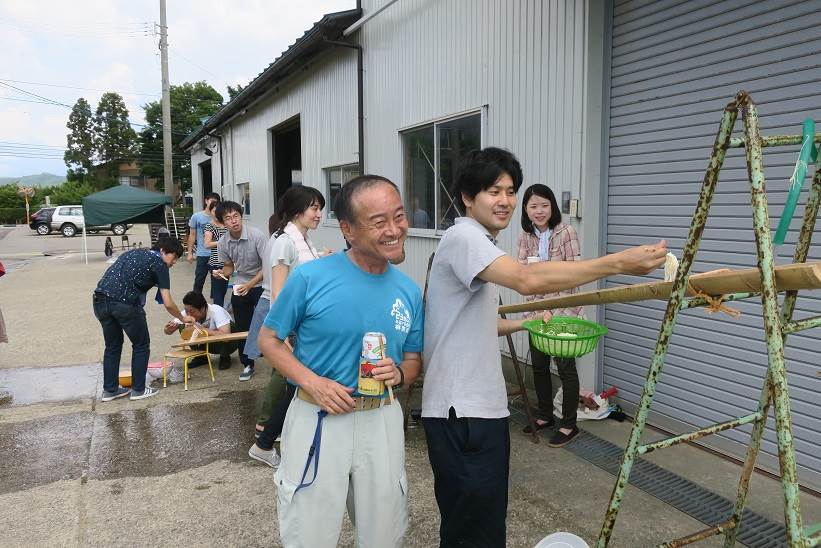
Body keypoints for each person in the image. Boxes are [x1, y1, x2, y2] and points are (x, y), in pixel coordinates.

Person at [422, 147, 667, 547]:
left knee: (477, 523)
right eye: (492, 191)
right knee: (474, 530)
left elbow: (476, 323)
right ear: (468, 196)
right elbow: (526, 279)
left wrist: (525, 321)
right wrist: (618, 263)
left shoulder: (476, 241)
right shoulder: (464, 236)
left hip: (471, 409)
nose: (505, 200)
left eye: (509, 190)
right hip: (462, 412)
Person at [258, 175, 424, 548]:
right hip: (318, 417)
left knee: (384, 531)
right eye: (379, 222)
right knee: (309, 532)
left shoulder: (409, 291)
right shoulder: (311, 278)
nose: (394, 230)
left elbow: (413, 360)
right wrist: (312, 382)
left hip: (381, 417)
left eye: (399, 216)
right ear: (347, 229)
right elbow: (269, 339)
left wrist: (398, 373)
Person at [246, 186, 325, 466]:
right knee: (295, 384)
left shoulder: (302, 239)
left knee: (296, 384)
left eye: (319, 208)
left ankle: (268, 442)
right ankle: (265, 443)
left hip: (302, 322)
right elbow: (279, 293)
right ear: (297, 210)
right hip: (290, 324)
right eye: (314, 208)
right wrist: (282, 334)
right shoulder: (285, 242)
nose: (319, 214)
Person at [517, 183, 585, 445]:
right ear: (526, 209)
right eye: (533, 206)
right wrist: (538, 309)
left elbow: (575, 274)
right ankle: (545, 414)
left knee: (566, 367)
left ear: (553, 207)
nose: (539, 211)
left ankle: (569, 424)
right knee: (540, 364)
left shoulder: (566, 232)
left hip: (564, 309)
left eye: (544, 205)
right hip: (537, 312)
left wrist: (552, 310)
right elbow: (522, 275)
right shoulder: (525, 236)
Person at [93, 237, 187, 401]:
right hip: (125, 305)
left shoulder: (134, 252)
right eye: (174, 257)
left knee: (112, 346)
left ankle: (110, 390)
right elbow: (168, 303)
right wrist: (182, 318)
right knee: (141, 345)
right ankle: (139, 389)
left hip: (100, 300)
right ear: (163, 251)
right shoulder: (159, 263)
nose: (173, 263)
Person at [212, 200, 266, 377]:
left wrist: (250, 285)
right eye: (228, 218)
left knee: (269, 322)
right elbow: (229, 266)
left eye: (236, 216)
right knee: (243, 325)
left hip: (262, 283)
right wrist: (222, 273)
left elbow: (268, 267)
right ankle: (247, 363)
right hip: (241, 283)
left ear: (241, 217)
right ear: (223, 222)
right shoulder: (223, 242)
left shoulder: (256, 235)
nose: (234, 221)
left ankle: (276, 358)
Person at [163, 291, 238, 369]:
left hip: (229, 344)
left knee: (230, 328)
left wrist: (199, 328)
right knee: (183, 327)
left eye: (192, 311)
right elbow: (168, 332)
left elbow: (226, 336)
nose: (188, 314)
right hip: (208, 344)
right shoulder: (187, 313)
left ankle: (225, 356)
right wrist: (168, 329)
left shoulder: (216, 310)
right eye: (186, 311)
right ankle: (201, 356)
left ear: (202, 309)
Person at [188, 192, 221, 294]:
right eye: (211, 201)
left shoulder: (219, 217)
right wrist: (190, 253)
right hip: (202, 254)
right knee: (199, 280)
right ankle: (195, 302)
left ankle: (216, 303)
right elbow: (192, 235)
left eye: (216, 202)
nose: (213, 203)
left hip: (217, 254)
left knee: (217, 282)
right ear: (206, 201)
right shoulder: (196, 217)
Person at [203, 210, 229, 307]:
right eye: (214, 211)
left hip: (228, 262)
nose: (216, 213)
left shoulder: (226, 224)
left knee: (223, 290)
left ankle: (218, 312)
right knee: (218, 293)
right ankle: (218, 316)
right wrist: (223, 241)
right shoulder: (210, 226)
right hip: (216, 262)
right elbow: (207, 244)